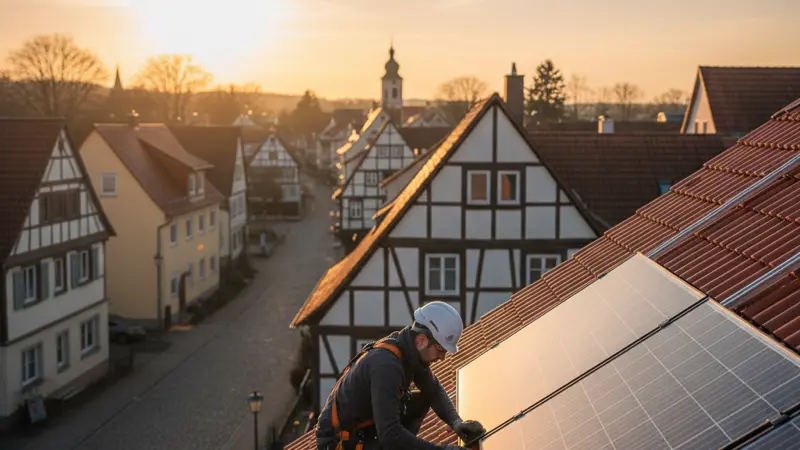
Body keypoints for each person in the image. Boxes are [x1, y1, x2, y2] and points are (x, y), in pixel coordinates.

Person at [316, 301, 485, 450]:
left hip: (366, 425)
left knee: (422, 398)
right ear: (421, 340)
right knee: (394, 438)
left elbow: (433, 390)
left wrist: (456, 422)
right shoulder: (386, 367)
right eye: (441, 350)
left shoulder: (408, 349)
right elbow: (389, 434)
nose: (442, 357)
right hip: (340, 442)